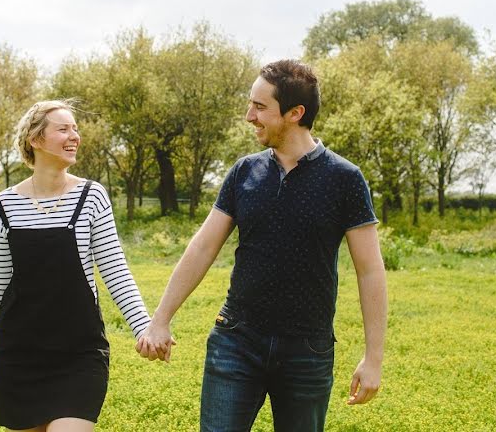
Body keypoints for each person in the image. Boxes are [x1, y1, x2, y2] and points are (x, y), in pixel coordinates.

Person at [136, 59, 388, 432]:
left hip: (308, 350)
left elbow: (370, 270)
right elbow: (203, 248)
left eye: (259, 106)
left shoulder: (344, 179)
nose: (248, 116)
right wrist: (160, 319)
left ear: (294, 113)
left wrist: (373, 358)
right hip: (236, 340)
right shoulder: (244, 172)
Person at [0, 100, 153, 432]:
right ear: (36, 139)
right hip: (20, 357)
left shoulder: (91, 197)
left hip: (79, 354)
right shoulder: (5, 206)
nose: (75, 136)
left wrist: (145, 329)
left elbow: (115, 271)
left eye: (76, 129)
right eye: (64, 129)